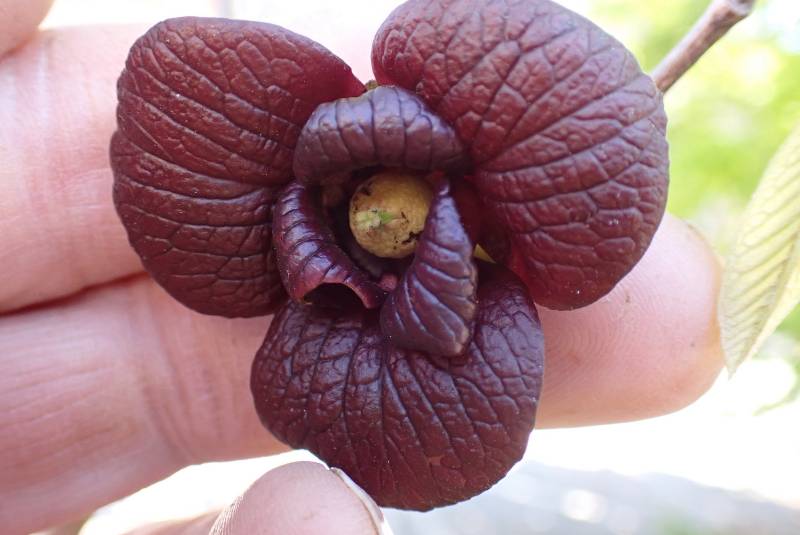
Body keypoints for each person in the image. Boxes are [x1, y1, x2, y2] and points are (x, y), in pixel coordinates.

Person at [0, 0, 723, 533]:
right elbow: (184, 124)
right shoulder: (269, 174)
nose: (380, 220)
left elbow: (586, 112)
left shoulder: (539, 115)